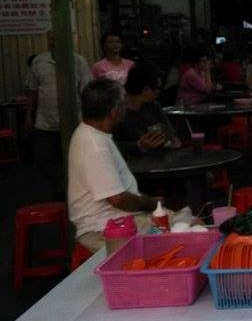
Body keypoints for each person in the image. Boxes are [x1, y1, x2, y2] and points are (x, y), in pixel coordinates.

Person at [67, 79, 165, 252]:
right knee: (188, 231)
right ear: (114, 112)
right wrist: (149, 204)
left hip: (116, 220)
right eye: (123, 104)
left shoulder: (94, 133)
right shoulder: (94, 145)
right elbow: (118, 200)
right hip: (103, 228)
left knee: (191, 224)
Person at [24, 29, 93, 197]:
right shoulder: (39, 61)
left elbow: (86, 91)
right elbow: (32, 90)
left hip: (73, 122)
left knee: (74, 160)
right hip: (44, 123)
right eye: (51, 39)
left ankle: (72, 192)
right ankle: (60, 186)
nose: (54, 42)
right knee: (43, 159)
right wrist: (29, 115)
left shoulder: (78, 61)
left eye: (58, 39)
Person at [114, 63, 181, 156]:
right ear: (146, 89)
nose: (159, 92)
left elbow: (171, 134)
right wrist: (139, 146)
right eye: (158, 88)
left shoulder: (154, 107)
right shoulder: (116, 111)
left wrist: (173, 140)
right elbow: (111, 145)